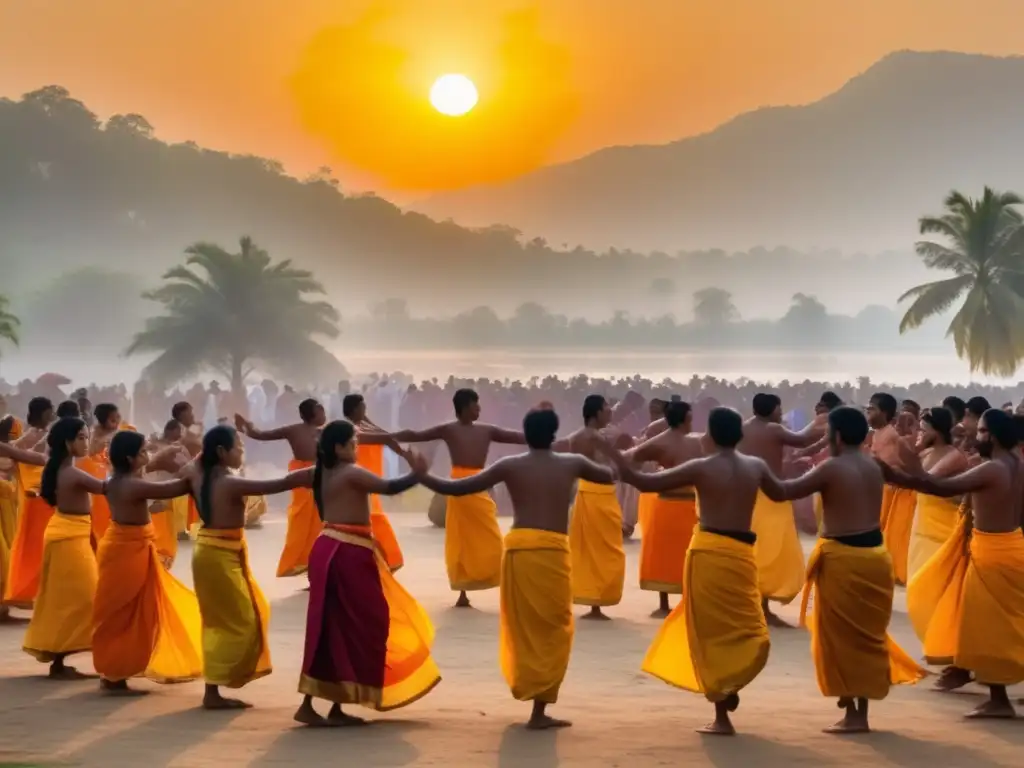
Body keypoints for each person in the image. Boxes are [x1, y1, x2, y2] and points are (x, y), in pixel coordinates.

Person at [416, 407, 613, 730]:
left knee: (524, 627)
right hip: (551, 551)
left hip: (520, 549)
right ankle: (540, 707)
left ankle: (533, 699)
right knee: (554, 626)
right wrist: (605, 449)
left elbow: (459, 488)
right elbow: (610, 476)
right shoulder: (571, 463)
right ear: (553, 434)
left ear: (527, 433)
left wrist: (422, 475)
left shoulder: (510, 465)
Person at [759, 406, 925, 733]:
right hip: (876, 557)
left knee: (843, 638)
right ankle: (857, 706)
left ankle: (854, 713)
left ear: (835, 436)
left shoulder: (831, 469)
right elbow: (912, 479)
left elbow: (781, 492)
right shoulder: (874, 464)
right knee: (867, 635)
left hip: (845, 559)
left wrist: (755, 466)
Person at [606, 407, 771, 736]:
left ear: (709, 436)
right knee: (744, 628)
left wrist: (618, 460)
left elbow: (643, 480)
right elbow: (786, 492)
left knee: (711, 631)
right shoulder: (755, 467)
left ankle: (723, 698)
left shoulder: (702, 466)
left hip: (712, 552)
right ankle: (724, 698)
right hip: (736, 552)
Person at [882, 408, 1024, 719]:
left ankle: (999, 700)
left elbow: (939, 487)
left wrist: (908, 469)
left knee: (987, 629)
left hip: (992, 554)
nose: (977, 437)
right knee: (1013, 624)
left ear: (997, 436)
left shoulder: (993, 469)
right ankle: (997, 694)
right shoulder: (1018, 465)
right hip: (1014, 546)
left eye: (984, 432)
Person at [296, 421, 440, 726]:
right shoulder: (350, 473)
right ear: (339, 448)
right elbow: (389, 488)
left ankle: (332, 703)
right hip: (345, 553)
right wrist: (418, 473)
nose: (356, 449)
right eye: (352, 444)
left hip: (334, 549)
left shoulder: (321, 473)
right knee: (366, 621)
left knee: (335, 625)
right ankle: (321, 702)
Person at [182, 425, 313, 709]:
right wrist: (304, 476)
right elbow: (273, 486)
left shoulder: (196, 470)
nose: (242, 451)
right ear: (221, 452)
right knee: (240, 620)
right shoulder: (228, 480)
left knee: (225, 618)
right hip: (217, 554)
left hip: (213, 551)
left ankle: (214, 688)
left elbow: (178, 477)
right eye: (238, 447)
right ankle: (216, 685)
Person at [389, 388, 525, 607]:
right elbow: (416, 435)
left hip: (479, 485)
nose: (479, 408)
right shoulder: (449, 429)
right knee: (460, 539)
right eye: (475, 405)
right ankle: (462, 591)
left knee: (490, 535)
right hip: (458, 485)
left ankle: (499, 578)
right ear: (464, 408)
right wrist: (384, 436)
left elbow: (516, 437)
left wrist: (543, 436)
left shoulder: (487, 430)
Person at [92, 431, 202, 694]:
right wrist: (194, 465)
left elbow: (151, 472)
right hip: (127, 551)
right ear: (130, 458)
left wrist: (159, 459)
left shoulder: (118, 478)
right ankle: (115, 672)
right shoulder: (131, 484)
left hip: (128, 546)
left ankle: (117, 670)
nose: (147, 455)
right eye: (143, 452)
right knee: (126, 613)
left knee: (137, 610)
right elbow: (174, 488)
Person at [22, 417, 104, 679]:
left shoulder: (60, 468)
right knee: (80, 597)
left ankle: (58, 659)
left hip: (69, 533)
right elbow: (107, 488)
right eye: (81, 437)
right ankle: (59, 658)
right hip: (68, 536)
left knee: (65, 597)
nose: (86, 442)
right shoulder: (71, 473)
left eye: (86, 436)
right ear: (67, 443)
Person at [737, 392, 824, 626]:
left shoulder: (743, 428)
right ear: (772, 409)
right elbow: (802, 439)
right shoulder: (773, 429)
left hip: (748, 494)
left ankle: (755, 604)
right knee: (772, 548)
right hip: (770, 494)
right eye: (779, 408)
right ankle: (762, 607)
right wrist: (827, 423)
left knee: (757, 547)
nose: (781, 412)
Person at [620, 401, 702, 616]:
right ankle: (685, 601)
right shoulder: (698, 442)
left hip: (670, 502)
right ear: (685, 419)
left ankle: (665, 604)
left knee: (666, 554)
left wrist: (648, 475)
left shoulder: (660, 442)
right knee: (684, 554)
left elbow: (629, 459)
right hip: (684, 503)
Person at [235, 399, 327, 579]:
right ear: (309, 414)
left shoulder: (327, 432)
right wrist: (246, 427)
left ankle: (316, 568)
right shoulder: (293, 430)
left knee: (321, 524)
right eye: (320, 411)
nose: (324, 414)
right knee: (300, 520)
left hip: (323, 478)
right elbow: (260, 435)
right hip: (301, 479)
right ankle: (299, 561)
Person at [559, 394, 629, 619]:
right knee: (606, 549)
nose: (610, 412)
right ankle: (596, 601)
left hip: (583, 493)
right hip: (600, 496)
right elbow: (619, 462)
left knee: (588, 549)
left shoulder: (574, 438)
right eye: (607, 409)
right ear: (596, 413)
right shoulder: (597, 438)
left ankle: (592, 599)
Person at [342, 394, 406, 572]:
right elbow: (384, 437)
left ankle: (384, 559)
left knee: (373, 518)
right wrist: (405, 455)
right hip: (358, 481)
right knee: (369, 520)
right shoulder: (350, 429)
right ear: (355, 410)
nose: (365, 411)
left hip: (368, 481)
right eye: (363, 408)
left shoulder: (360, 425)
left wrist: (366, 419)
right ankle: (383, 559)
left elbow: (382, 434)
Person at [3, 397, 54, 608]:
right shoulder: (31, 435)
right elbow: (22, 457)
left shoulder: (19, 440)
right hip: (25, 498)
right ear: (44, 413)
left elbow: (19, 457)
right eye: (50, 412)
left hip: (22, 496)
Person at [906, 408, 967, 580]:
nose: (920, 434)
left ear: (937, 431)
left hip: (942, 532)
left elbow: (925, 481)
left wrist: (915, 449)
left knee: (936, 579)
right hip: (922, 528)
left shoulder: (954, 456)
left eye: (924, 430)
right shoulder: (926, 452)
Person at [866, 393, 919, 585]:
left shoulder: (891, 435)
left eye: (871, 409)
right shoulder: (878, 432)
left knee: (886, 535)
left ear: (884, 412)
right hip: (881, 490)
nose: (868, 413)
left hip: (892, 492)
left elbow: (894, 465)